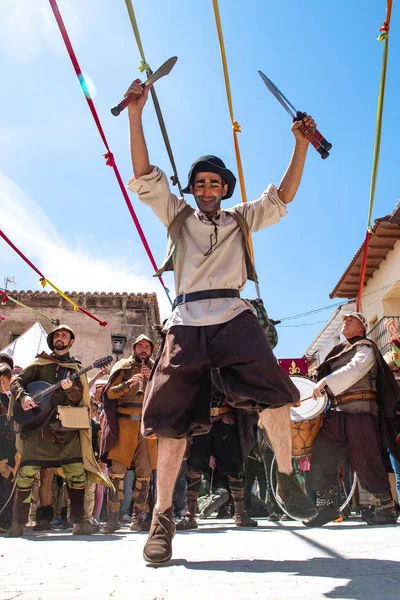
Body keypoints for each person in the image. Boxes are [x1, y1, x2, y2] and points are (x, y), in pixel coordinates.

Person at [125, 78, 318, 564]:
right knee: (169, 422)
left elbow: (285, 196)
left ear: (226, 189)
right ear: (191, 190)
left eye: (216, 183)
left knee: (276, 392)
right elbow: (144, 171)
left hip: (234, 315)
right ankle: (162, 519)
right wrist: (135, 113)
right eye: (201, 184)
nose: (208, 190)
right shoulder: (177, 215)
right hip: (187, 320)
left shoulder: (240, 219)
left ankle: (288, 476)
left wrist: (299, 146)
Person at [6, 324, 110, 537]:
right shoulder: (38, 363)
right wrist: (23, 396)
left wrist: (69, 388)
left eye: (65, 335)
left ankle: (79, 523)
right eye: (57, 335)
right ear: (52, 340)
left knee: (78, 476)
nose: (60, 338)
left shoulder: (74, 369)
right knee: (26, 475)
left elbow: (78, 398)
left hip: (65, 431)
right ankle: (18, 522)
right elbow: (17, 381)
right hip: (37, 431)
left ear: (71, 342)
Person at [305, 312, 400, 527]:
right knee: (322, 450)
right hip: (336, 413)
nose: (345, 322)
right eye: (344, 320)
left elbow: (355, 369)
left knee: (365, 458)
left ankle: (385, 508)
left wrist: (325, 382)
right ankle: (326, 506)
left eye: (351, 320)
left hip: (361, 413)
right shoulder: (337, 351)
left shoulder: (365, 347)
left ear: (362, 328)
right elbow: (325, 376)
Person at [100, 334, 157, 533]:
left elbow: (165, 394)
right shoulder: (123, 366)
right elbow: (109, 393)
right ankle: (113, 519)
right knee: (117, 472)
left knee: (144, 473)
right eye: (140, 346)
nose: (143, 350)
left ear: (151, 350)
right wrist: (129, 384)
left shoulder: (156, 370)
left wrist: (152, 381)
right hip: (124, 424)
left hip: (146, 426)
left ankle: (138, 518)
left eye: (146, 347)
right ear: (133, 348)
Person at [0, 357, 19, 532]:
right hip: (2, 448)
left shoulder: (11, 398)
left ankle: (4, 521)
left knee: (7, 485)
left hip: (9, 448)